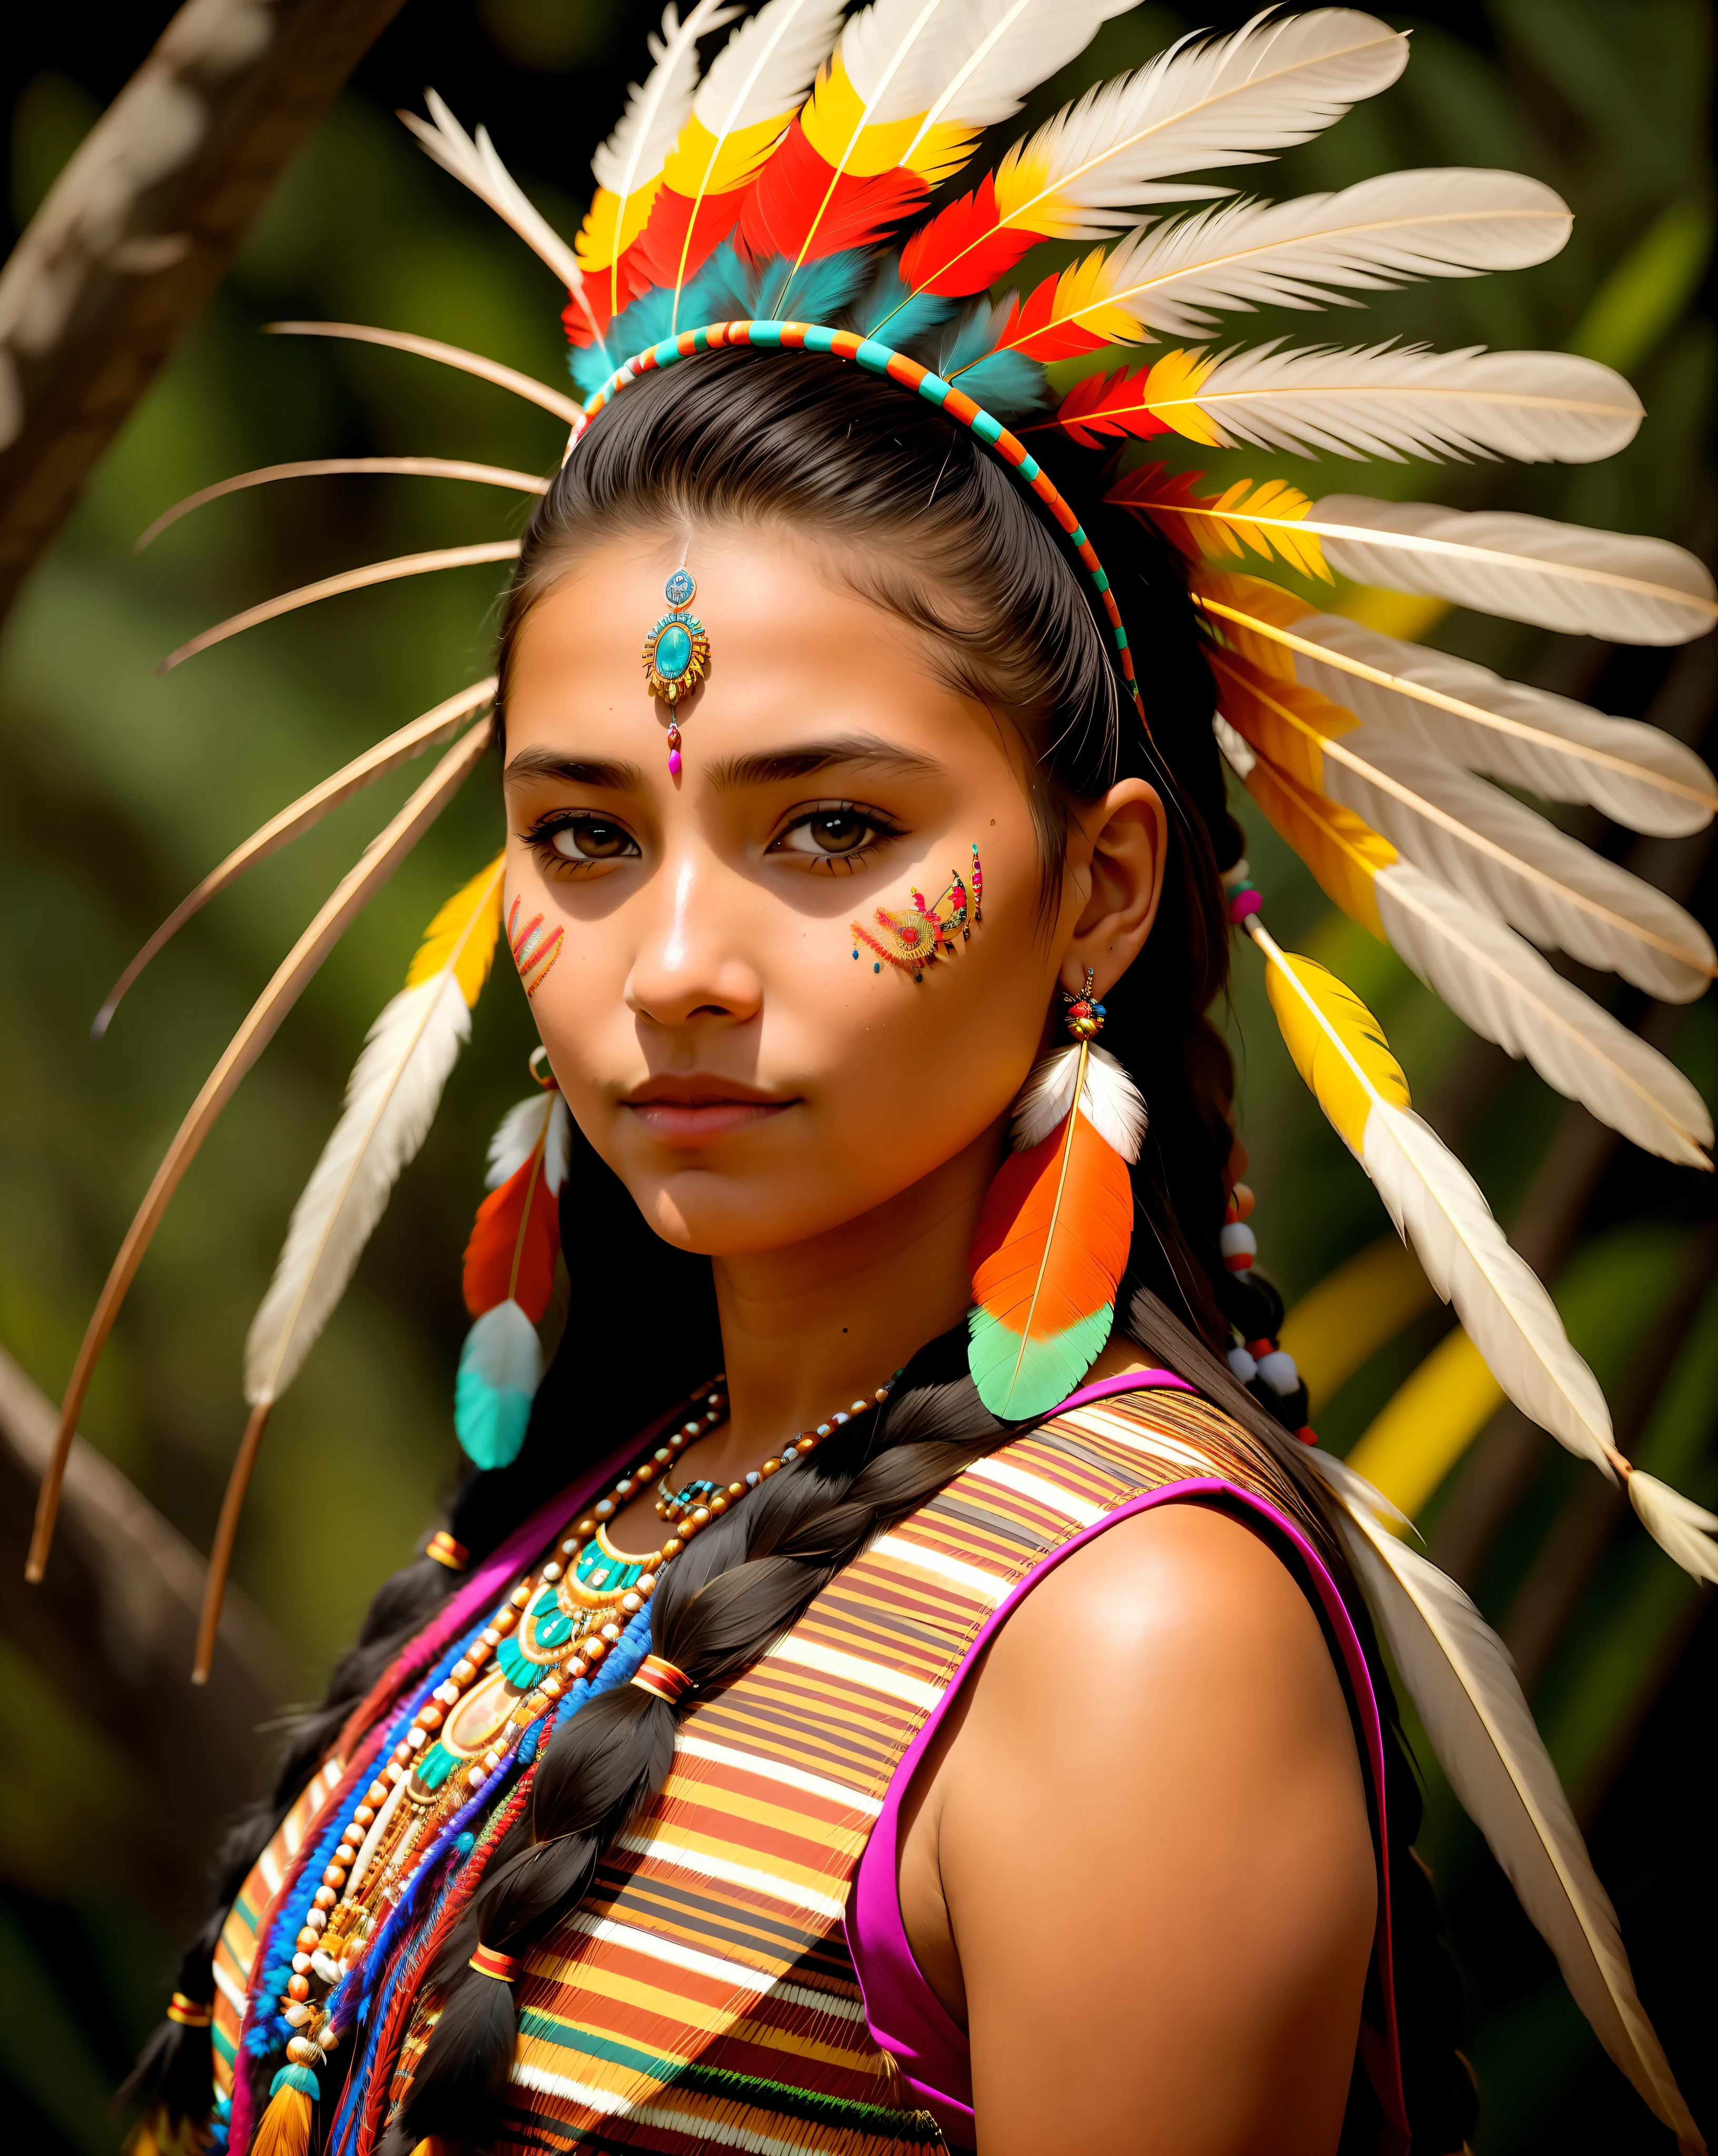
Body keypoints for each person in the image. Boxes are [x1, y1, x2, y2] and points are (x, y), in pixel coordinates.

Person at [42, 6, 1709, 2153]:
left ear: (1102, 889)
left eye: (829, 829)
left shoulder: (1133, 1643)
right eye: (585, 834)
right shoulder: (615, 1510)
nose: (674, 972)